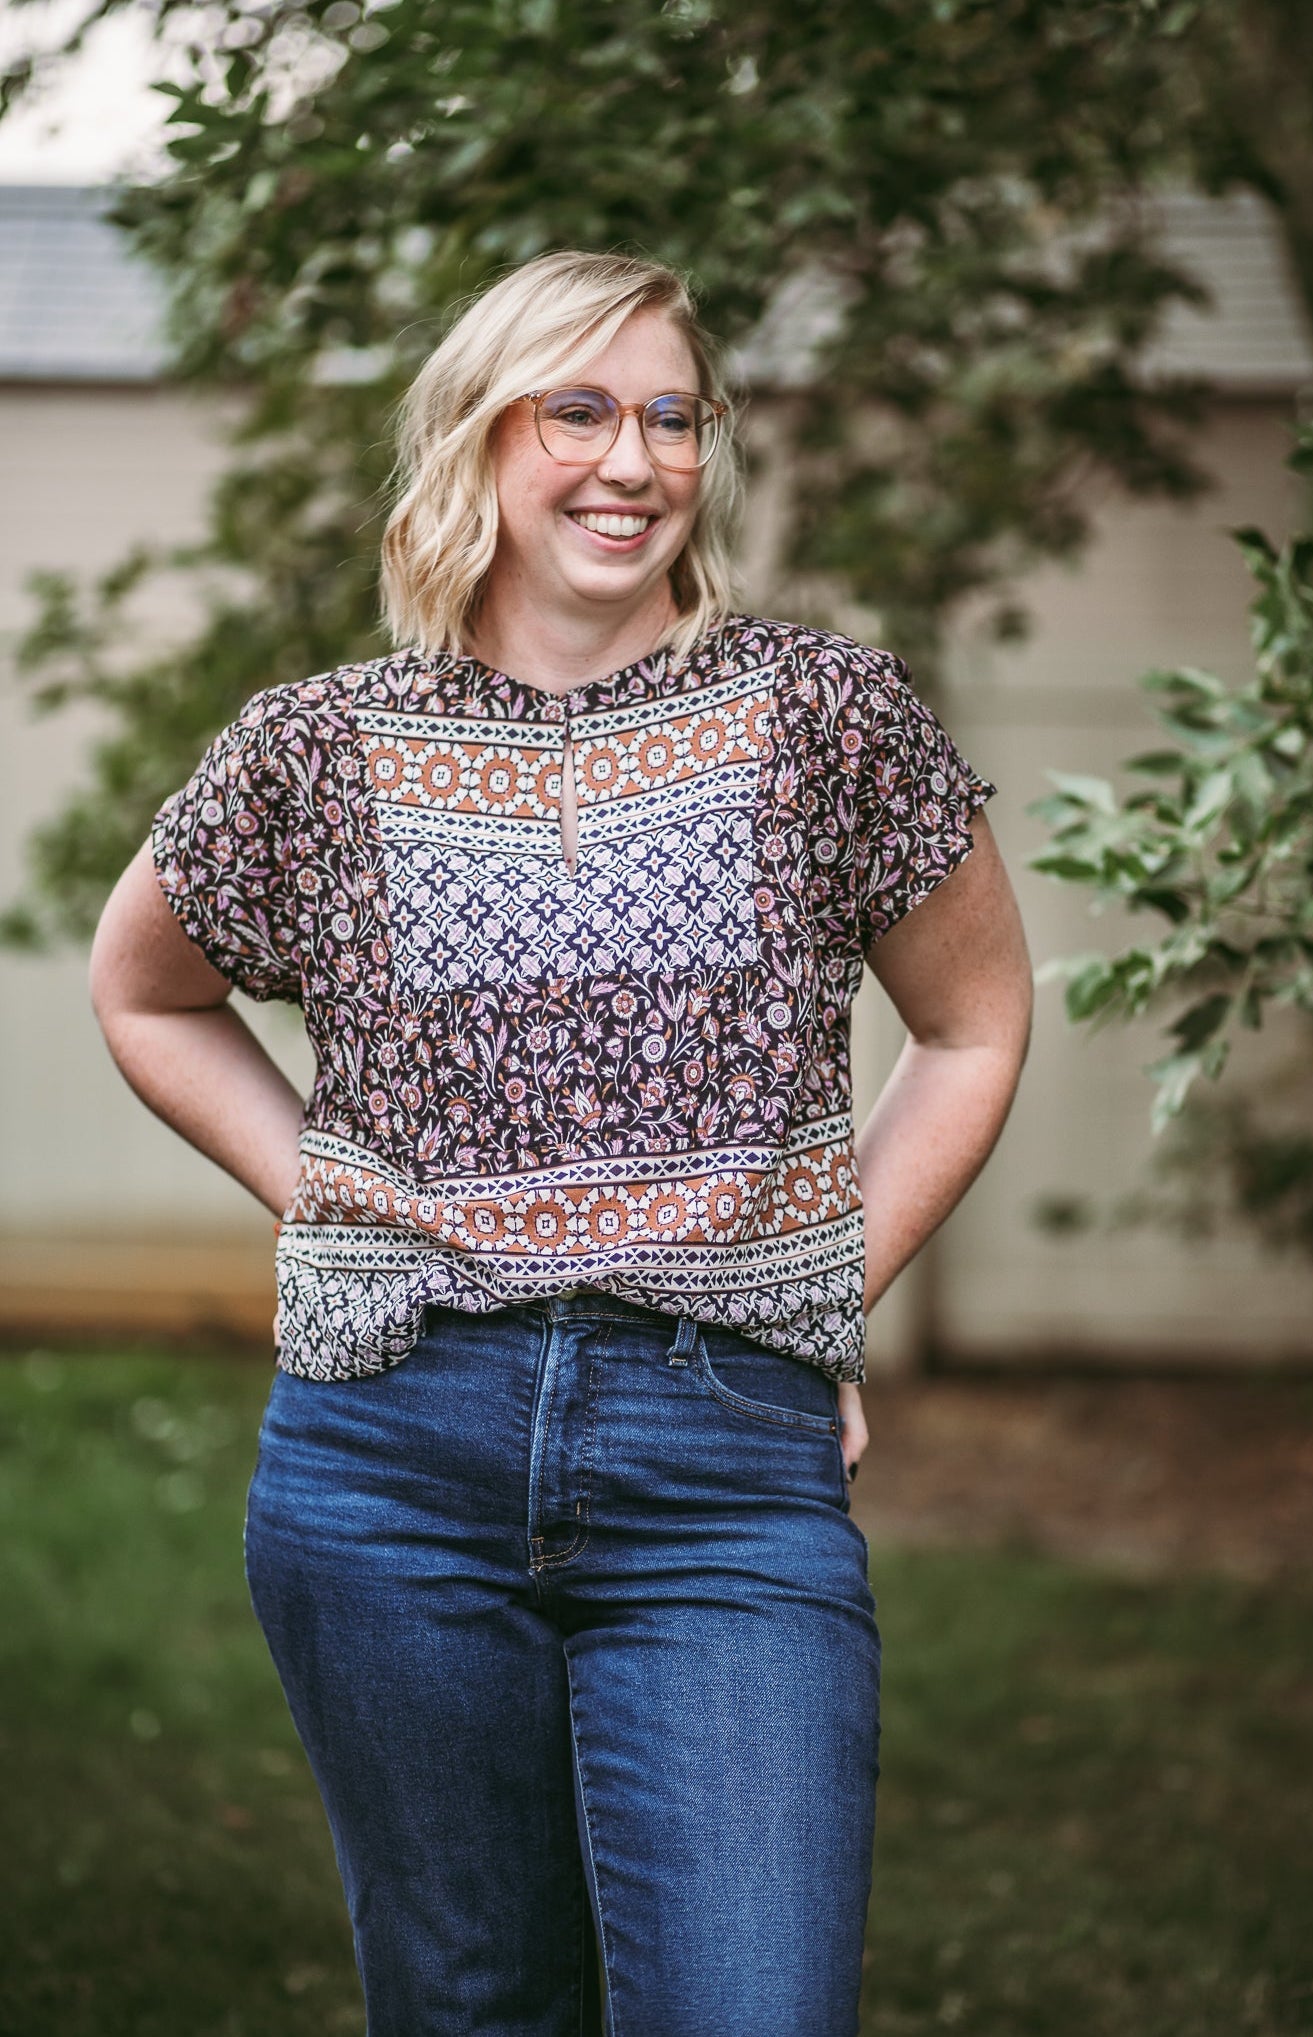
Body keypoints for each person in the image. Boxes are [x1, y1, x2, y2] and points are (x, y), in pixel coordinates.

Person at [89, 248, 1033, 2037]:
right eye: (577, 409)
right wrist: (338, 1198)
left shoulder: (827, 720)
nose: (632, 458)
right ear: (477, 440)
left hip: (721, 1463)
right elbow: (143, 991)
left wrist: (823, 1285)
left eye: (671, 414)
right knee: (470, 2005)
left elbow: (976, 1022)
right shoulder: (316, 749)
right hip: (386, 1465)